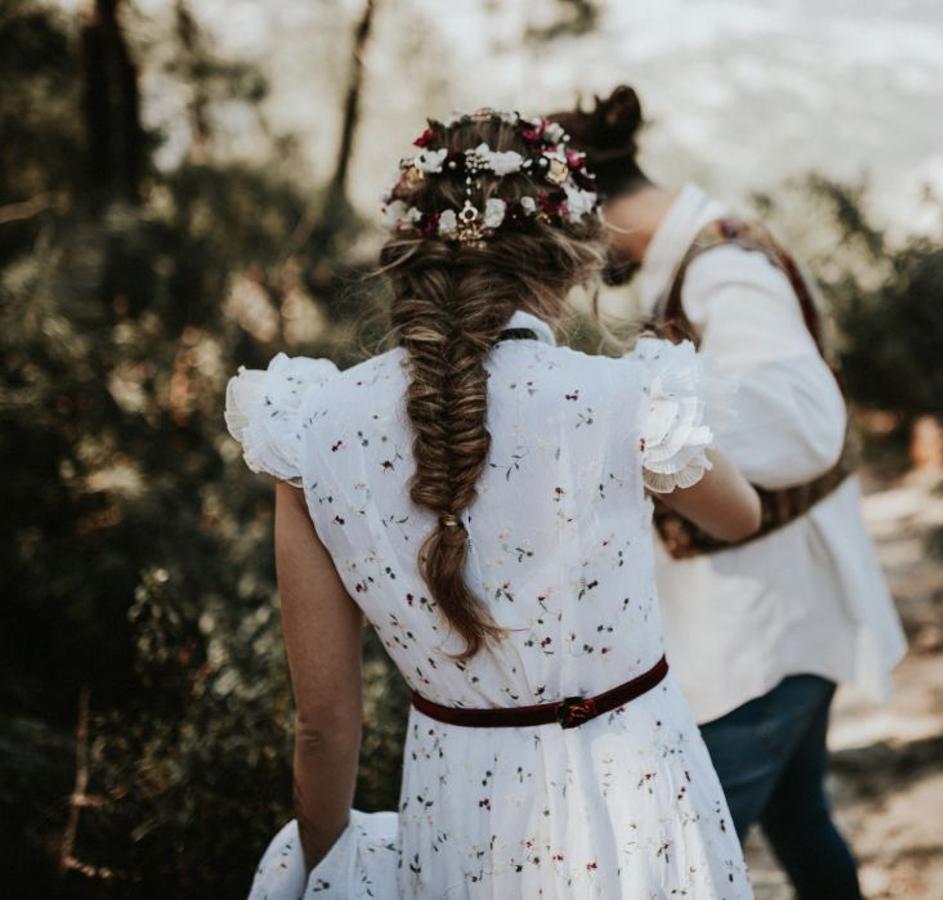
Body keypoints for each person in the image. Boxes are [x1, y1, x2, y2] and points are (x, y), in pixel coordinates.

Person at [226, 109, 759, 899]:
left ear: (407, 256)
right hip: (639, 792)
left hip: (457, 813)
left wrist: (326, 868)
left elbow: (324, 723)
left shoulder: (313, 429)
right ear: (571, 256)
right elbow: (740, 514)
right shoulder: (623, 400)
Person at [549, 87, 908, 899]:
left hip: (763, 634)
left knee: (683, 866)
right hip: (779, 615)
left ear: (591, 216)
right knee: (802, 823)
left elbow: (805, 419)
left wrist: (633, 425)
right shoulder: (699, 258)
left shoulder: (723, 267)